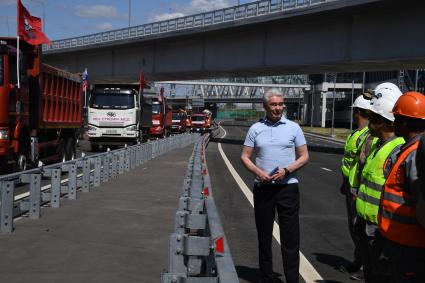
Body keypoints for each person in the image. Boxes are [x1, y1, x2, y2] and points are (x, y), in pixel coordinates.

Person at [241, 89, 309, 283]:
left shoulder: (293, 128)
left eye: (280, 104)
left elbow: (304, 156)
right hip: (263, 188)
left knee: (290, 238)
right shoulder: (255, 129)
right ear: (265, 106)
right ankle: (267, 276)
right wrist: (258, 173)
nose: (278, 108)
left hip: (288, 188)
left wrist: (287, 170)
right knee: (264, 236)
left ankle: (292, 279)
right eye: (273, 105)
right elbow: (245, 156)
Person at [354, 83, 404, 283]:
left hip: (381, 229)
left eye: (373, 119)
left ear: (383, 122)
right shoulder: (377, 145)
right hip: (367, 224)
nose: (368, 123)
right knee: (371, 272)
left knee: (380, 275)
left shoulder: (396, 151)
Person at [377, 91, 425, 283]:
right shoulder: (408, 150)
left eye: (396, 118)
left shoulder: (414, 155)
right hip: (398, 241)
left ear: (405, 123)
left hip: (409, 246)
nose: (393, 123)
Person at [339, 95, 372, 278]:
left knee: (360, 229)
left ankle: (364, 266)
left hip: (358, 189)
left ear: (357, 112)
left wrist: (356, 188)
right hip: (350, 185)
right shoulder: (358, 132)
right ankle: (359, 261)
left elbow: (363, 164)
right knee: (355, 228)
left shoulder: (368, 135)